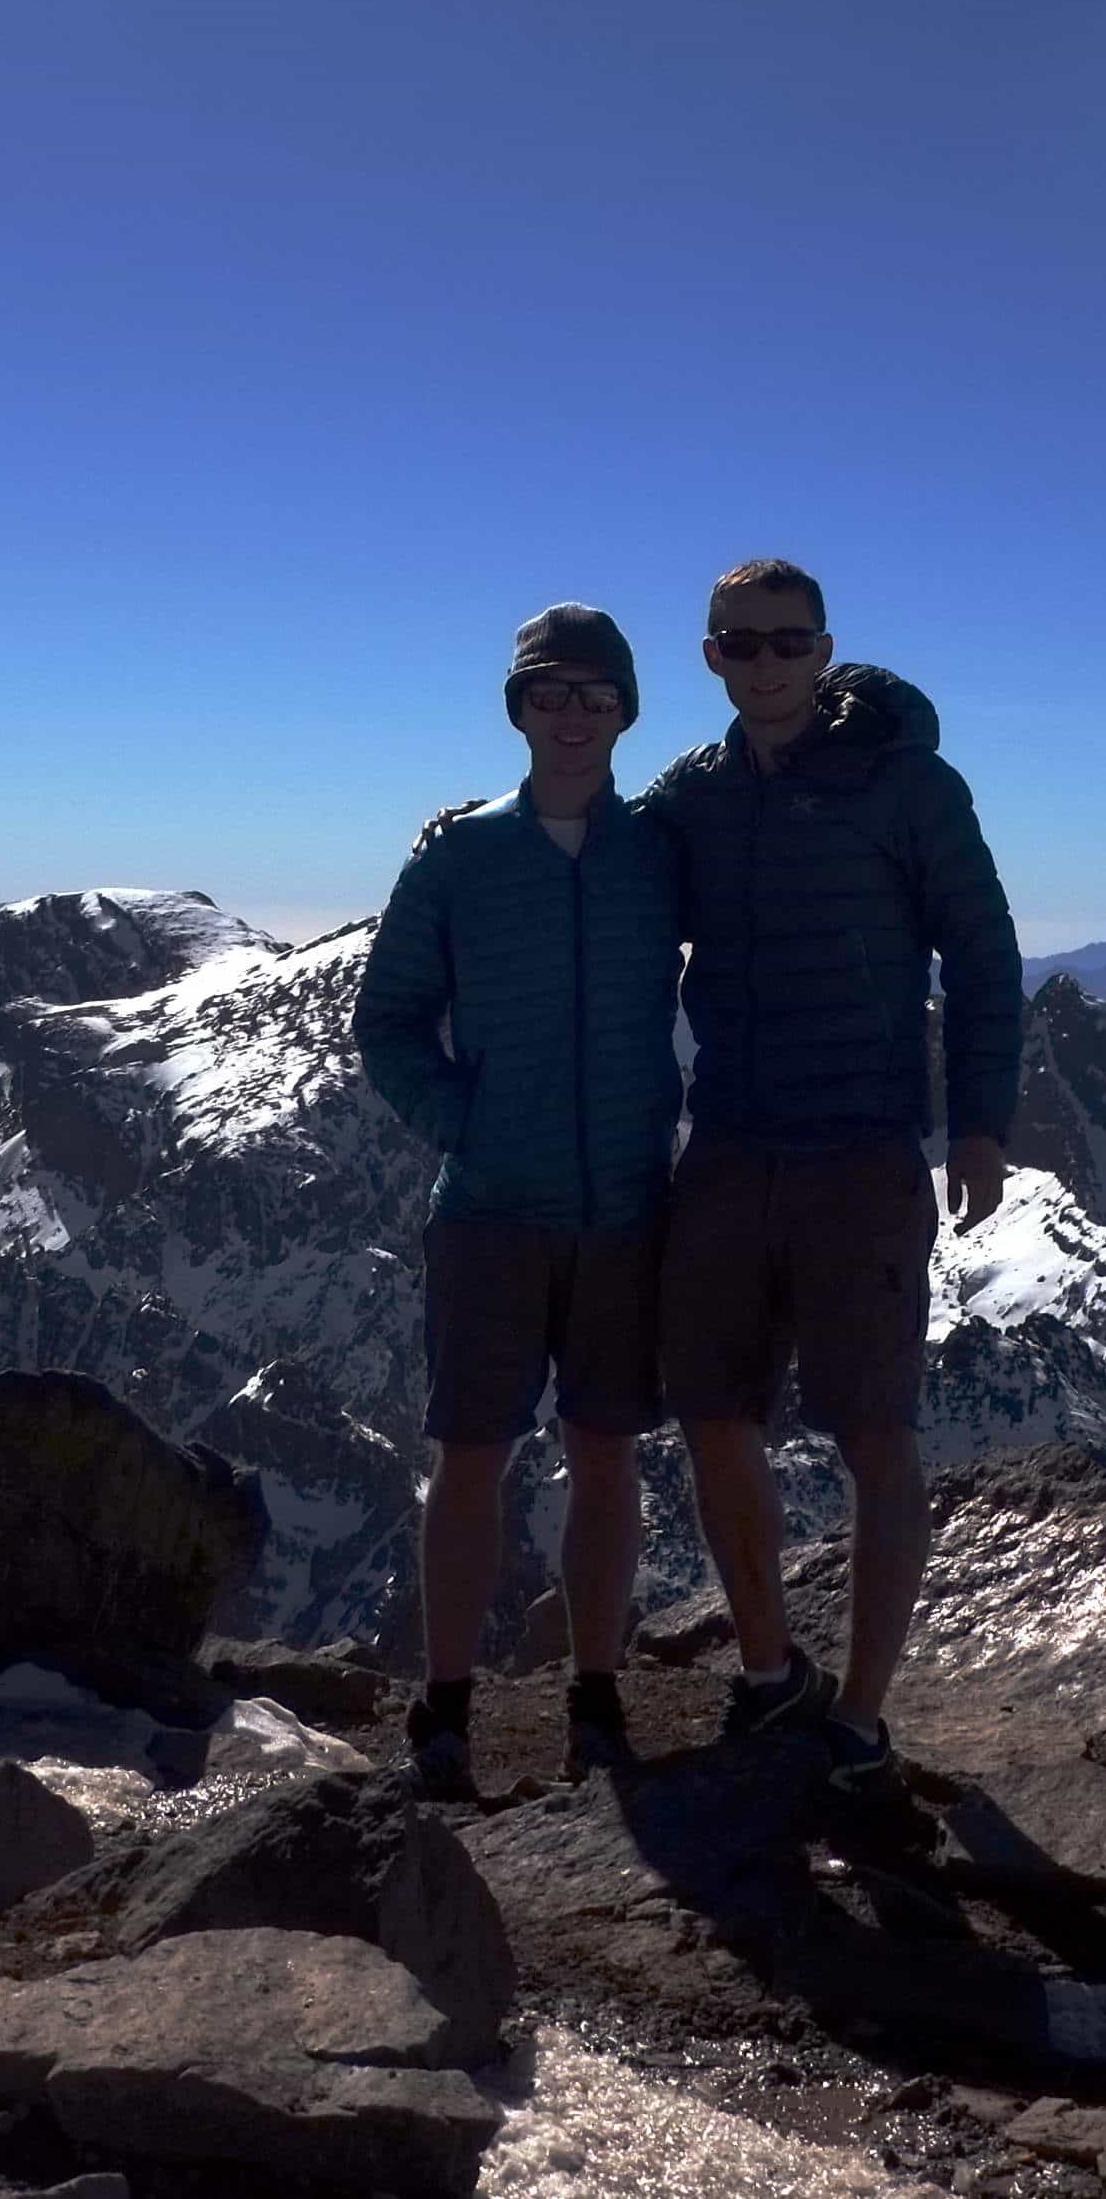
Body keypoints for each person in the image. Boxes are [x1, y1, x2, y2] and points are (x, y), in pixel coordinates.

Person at [637, 558, 1020, 1809]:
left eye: (787, 643)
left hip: (862, 1146)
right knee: (712, 1413)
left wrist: (980, 1125)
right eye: (742, 645)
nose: (766, 664)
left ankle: (860, 1715)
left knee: (873, 1433)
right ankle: (768, 1671)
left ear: (825, 648)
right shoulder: (693, 795)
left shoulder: (907, 783)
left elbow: (981, 947)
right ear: (710, 657)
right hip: (735, 1143)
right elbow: (604, 887)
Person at [352, 604, 684, 1803]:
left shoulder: (662, 848)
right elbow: (385, 1020)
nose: (576, 712)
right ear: (520, 708)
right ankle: (447, 1710)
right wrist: (468, 1124)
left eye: (599, 694)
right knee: (473, 1458)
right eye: (553, 691)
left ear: (627, 710)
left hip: (626, 1208)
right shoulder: (458, 856)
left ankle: (595, 1696)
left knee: (606, 1456)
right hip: (492, 1205)